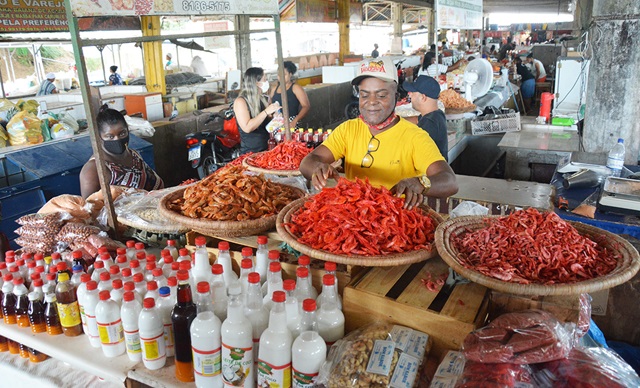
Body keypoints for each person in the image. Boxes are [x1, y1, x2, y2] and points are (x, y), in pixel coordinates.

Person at [299, 57, 458, 209]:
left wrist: (421, 183)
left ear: (396, 97)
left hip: (396, 222)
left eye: (381, 95)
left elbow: (449, 181)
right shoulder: (348, 129)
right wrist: (317, 168)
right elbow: (309, 161)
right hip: (355, 218)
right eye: (364, 95)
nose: (372, 101)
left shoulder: (415, 137)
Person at [79, 105, 164, 198]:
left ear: (128, 130)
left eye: (122, 133)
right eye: (110, 136)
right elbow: (89, 208)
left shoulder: (133, 154)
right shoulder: (93, 170)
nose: (117, 139)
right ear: (99, 137)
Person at [233, 67, 281, 154]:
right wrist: (266, 111)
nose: (267, 82)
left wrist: (275, 118)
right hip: (251, 152)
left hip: (267, 147)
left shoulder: (263, 98)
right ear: (257, 83)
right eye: (264, 80)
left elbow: (265, 122)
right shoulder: (241, 101)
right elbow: (247, 128)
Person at [403, 75, 448, 162]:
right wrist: (393, 120)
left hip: (430, 174)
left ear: (423, 97)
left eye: (413, 92)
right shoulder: (436, 114)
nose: (410, 95)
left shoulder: (429, 124)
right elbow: (416, 120)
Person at [269, 61, 310, 129]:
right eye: (279, 74)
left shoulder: (296, 88)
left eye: (284, 74)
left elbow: (306, 106)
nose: (281, 77)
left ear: (290, 74)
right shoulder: (274, 89)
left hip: (292, 122)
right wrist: (272, 115)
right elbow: (270, 105)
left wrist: (295, 121)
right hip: (276, 123)